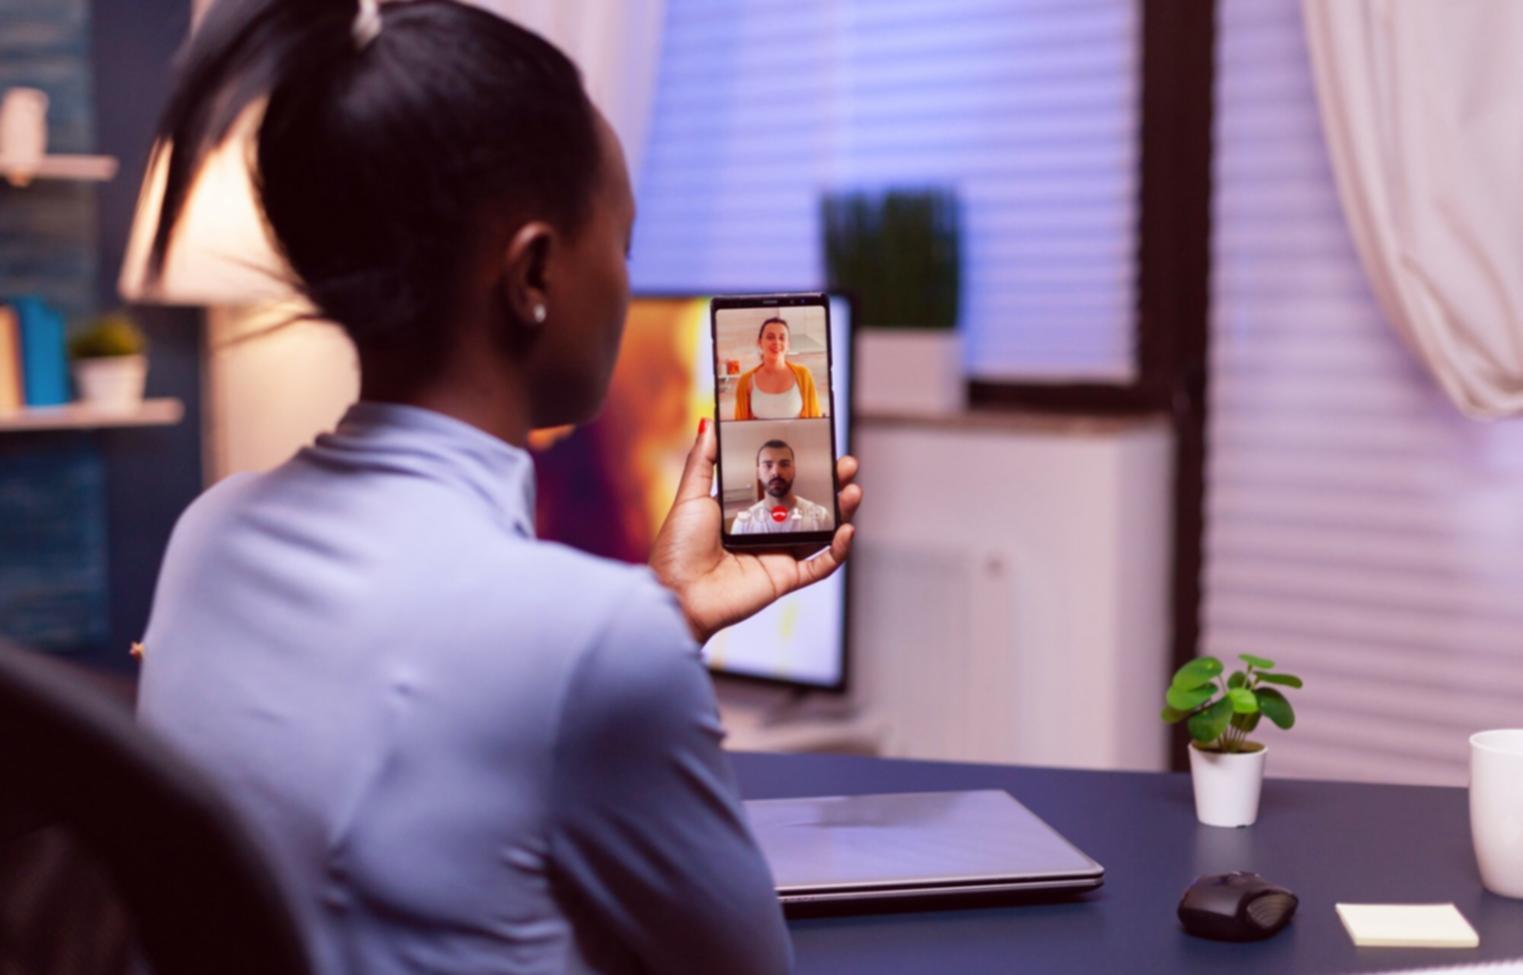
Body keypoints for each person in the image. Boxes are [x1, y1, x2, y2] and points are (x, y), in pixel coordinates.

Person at [131, 2, 862, 973]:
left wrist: (664, 613)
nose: (628, 280)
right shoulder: (589, 641)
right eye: (624, 240)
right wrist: (637, 636)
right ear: (533, 275)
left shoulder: (207, 536)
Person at [731, 440, 833, 535]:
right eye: (768, 465)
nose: (776, 472)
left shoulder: (821, 518)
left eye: (784, 464)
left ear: (794, 471)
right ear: (758, 473)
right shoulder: (743, 523)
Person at [732, 317, 823, 420]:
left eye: (782, 338)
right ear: (760, 342)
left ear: (788, 345)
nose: (776, 342)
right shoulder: (745, 381)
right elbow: (740, 426)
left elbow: (815, 421)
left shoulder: (803, 375)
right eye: (770, 337)